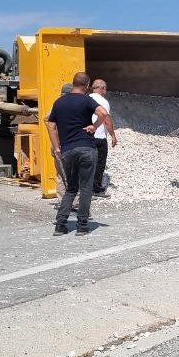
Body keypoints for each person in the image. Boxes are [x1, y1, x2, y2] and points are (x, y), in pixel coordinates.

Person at [46, 72, 113, 235]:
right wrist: (95, 127)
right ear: (87, 85)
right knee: (85, 188)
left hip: (67, 150)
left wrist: (56, 147)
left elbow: (50, 125)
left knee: (71, 188)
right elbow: (103, 113)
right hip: (86, 148)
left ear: (73, 83)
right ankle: (82, 226)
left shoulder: (59, 102)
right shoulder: (86, 100)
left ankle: (60, 225)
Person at [87, 79, 119, 198]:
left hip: (86, 136)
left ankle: (83, 188)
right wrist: (113, 135)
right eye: (105, 88)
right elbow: (106, 119)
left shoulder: (86, 98)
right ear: (103, 88)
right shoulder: (103, 102)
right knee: (100, 163)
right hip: (99, 136)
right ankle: (96, 189)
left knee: (86, 163)